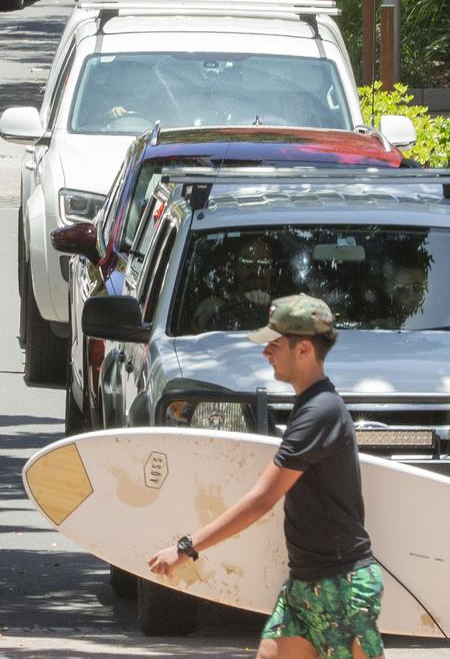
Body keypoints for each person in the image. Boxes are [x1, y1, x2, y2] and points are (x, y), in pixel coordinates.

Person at [148, 294, 383, 659]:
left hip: (342, 588)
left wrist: (186, 547)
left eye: (274, 344)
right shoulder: (311, 406)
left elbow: (262, 499)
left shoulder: (320, 412)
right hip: (306, 586)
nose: (265, 353)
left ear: (304, 349)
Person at [191, 235, 280, 332]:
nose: (255, 270)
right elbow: (198, 332)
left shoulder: (290, 305)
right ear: (236, 268)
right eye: (246, 262)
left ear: (273, 270)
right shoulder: (214, 305)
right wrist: (240, 303)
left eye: (264, 263)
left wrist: (275, 305)